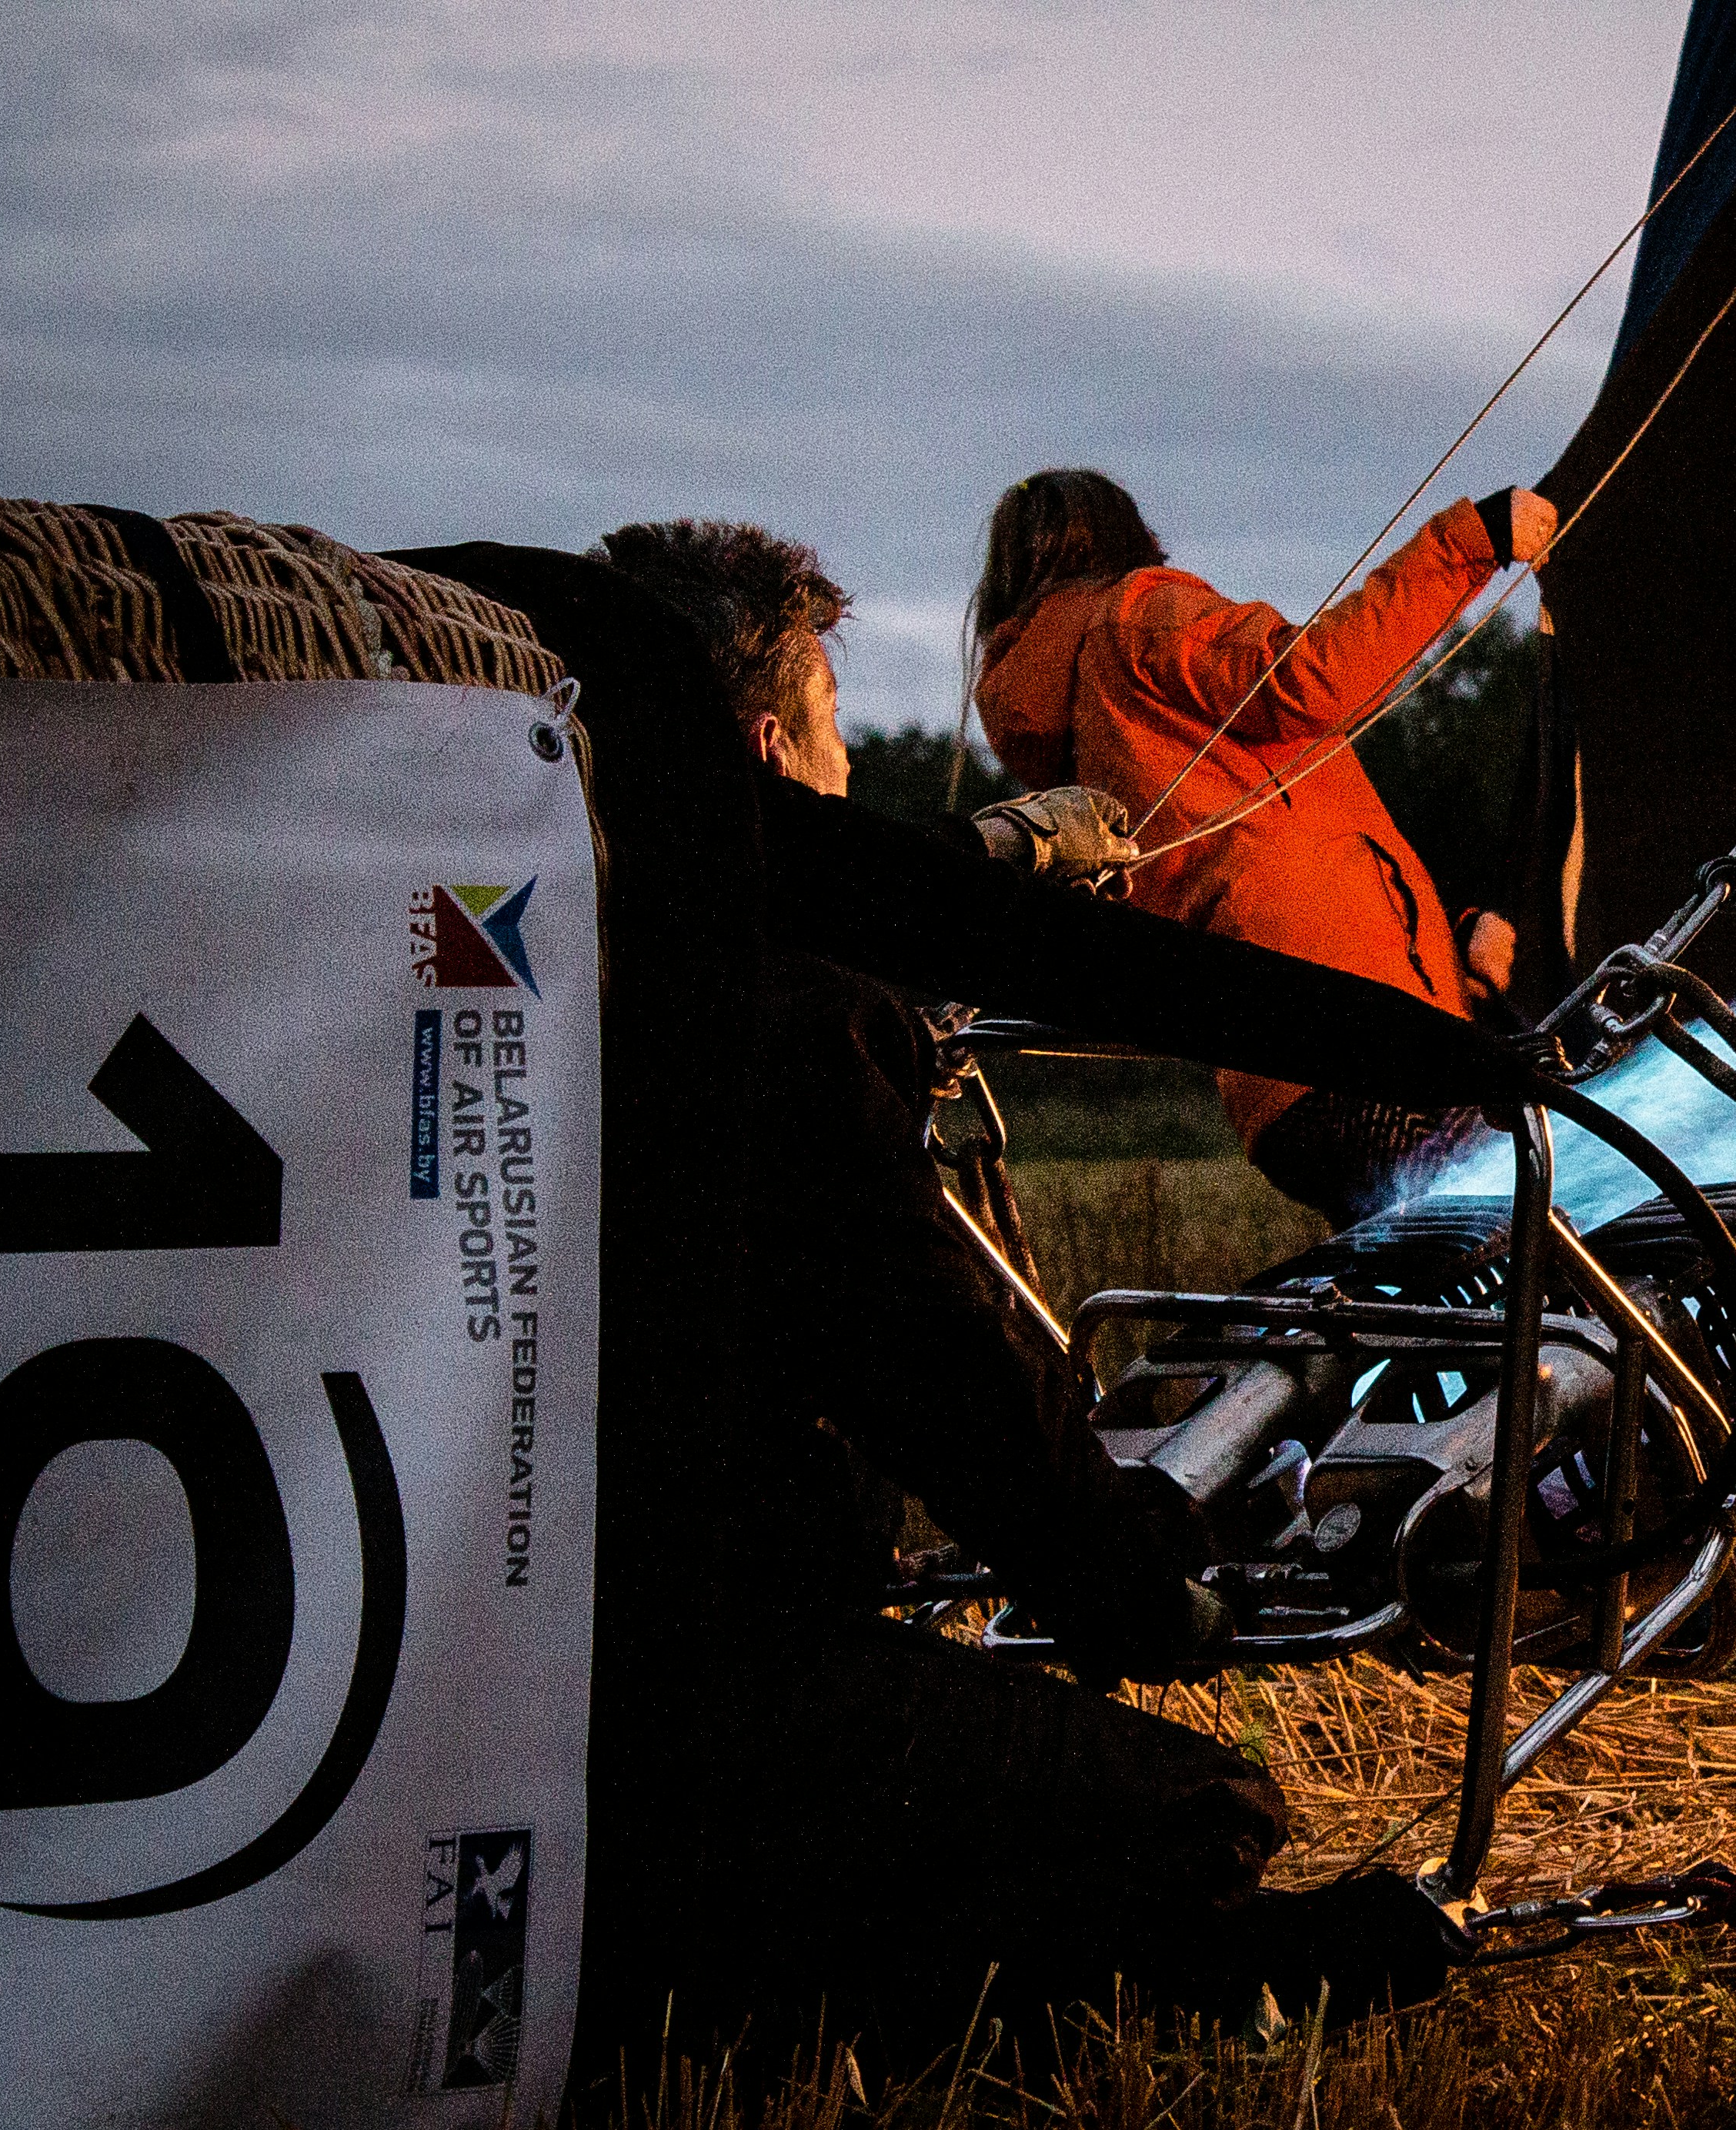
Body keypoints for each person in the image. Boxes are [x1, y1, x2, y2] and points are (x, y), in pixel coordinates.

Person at [586, 518, 1461, 2049]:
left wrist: (994, 854)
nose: (852, 778)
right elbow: (943, 1368)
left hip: (540, 1668)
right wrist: (1137, 1580)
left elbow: (776, 874)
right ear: (764, 746)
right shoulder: (784, 1024)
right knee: (1197, 1810)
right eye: (835, 738)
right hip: (707, 1686)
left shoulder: (580, 940)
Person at [966, 470, 1554, 1222]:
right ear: (1122, 535)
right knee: (1552, 1242)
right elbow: (1308, 678)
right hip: (1363, 1043)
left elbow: (1258, 863)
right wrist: (1470, 541)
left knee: (1449, 1302)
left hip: (1281, 1089)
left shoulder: (1088, 730)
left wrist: (1446, 942)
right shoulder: (1139, 614)